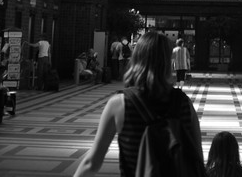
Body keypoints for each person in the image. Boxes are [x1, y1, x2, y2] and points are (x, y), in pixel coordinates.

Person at [72, 32, 206, 177]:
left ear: (137, 58)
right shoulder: (183, 103)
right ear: (167, 62)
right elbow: (197, 157)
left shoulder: (120, 103)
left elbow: (92, 163)